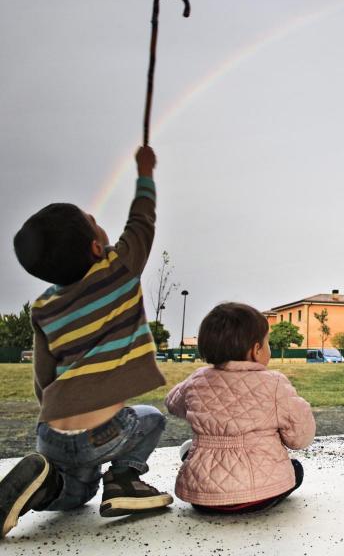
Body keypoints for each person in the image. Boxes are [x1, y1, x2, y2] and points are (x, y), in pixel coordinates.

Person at [1, 146, 172, 538]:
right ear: (98, 248)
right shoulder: (117, 271)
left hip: (52, 431)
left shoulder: (45, 307)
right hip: (104, 429)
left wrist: (52, 414)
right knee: (151, 419)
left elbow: (43, 376)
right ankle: (125, 480)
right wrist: (145, 172)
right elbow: (141, 223)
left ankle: (44, 483)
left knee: (76, 493)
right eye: (95, 222)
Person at [166, 302, 315, 514]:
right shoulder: (274, 383)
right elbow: (300, 439)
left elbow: (172, 404)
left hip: (203, 497)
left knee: (189, 448)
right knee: (295, 468)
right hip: (261, 494)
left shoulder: (197, 380)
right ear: (256, 350)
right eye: (267, 342)